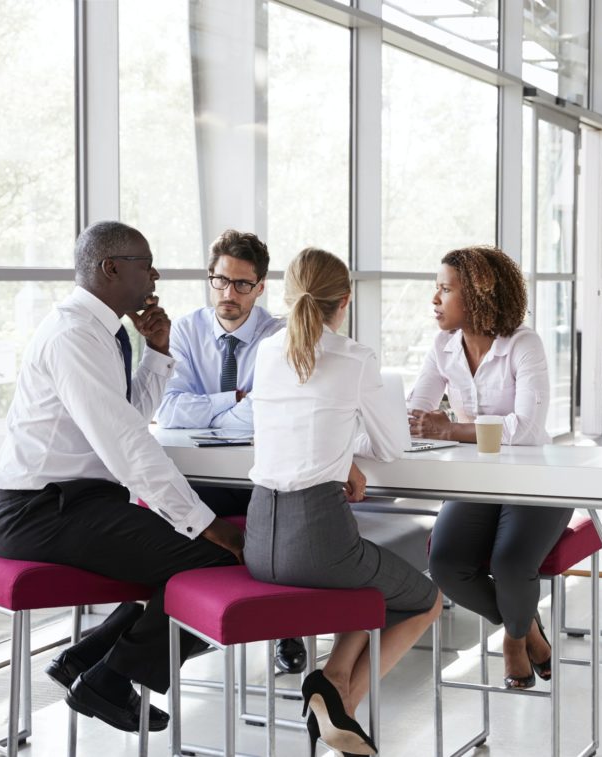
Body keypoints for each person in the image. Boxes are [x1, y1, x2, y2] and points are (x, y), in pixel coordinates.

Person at [0, 221, 243, 733]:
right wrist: (201, 520)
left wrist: (158, 352)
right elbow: (126, 445)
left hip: (74, 504)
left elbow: (129, 417)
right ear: (111, 268)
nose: (155, 274)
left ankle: (88, 662)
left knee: (193, 558)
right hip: (42, 511)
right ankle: (109, 678)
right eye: (146, 264)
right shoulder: (75, 336)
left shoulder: (100, 331)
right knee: (218, 557)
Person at [245, 247, 442, 756]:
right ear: (345, 301)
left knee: (371, 581)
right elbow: (392, 448)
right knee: (423, 599)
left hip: (259, 540)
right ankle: (343, 700)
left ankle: (332, 683)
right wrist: (348, 450)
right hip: (318, 543)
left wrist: (338, 452)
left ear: (287, 297)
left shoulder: (265, 351)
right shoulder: (355, 358)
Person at [407, 245, 569, 690]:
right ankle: (526, 625)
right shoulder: (443, 347)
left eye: (445, 289)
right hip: (478, 482)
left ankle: (513, 641)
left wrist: (452, 429)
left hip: (538, 481)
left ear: (477, 295)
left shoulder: (523, 344)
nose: (435, 299)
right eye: (436, 289)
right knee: (445, 564)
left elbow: (526, 428)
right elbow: (416, 413)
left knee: (511, 562)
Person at [154, 228, 310, 673]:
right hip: (204, 476)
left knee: (278, 520)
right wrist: (236, 401)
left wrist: (222, 409)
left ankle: (285, 626)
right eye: (221, 280)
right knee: (178, 519)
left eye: (243, 284)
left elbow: (271, 413)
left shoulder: (279, 334)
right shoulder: (185, 330)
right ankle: (192, 621)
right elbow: (168, 411)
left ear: (260, 288)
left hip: (264, 475)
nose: (229, 292)